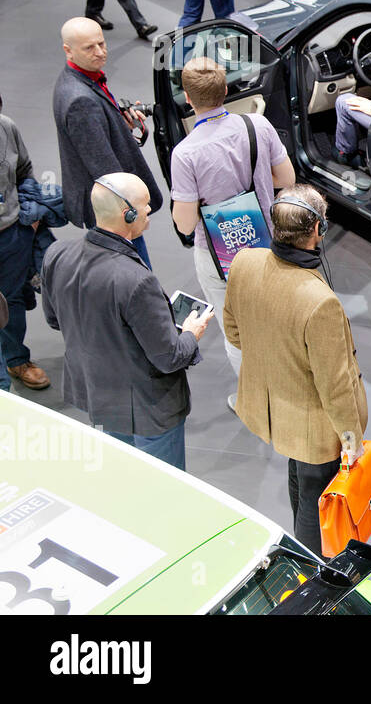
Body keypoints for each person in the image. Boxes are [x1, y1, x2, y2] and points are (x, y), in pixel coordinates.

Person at [223, 185, 368, 556]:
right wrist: (351, 441)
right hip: (313, 425)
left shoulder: (244, 262)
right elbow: (335, 387)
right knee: (314, 497)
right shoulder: (320, 303)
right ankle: (312, 569)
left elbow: (234, 333)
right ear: (318, 230)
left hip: (272, 411)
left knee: (299, 477)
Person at [42, 173, 213, 469]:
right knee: (164, 486)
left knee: (128, 476)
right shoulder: (136, 281)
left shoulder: (57, 254)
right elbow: (170, 357)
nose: (149, 211)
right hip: (149, 410)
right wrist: (191, 333)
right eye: (145, 205)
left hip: (101, 396)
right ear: (128, 214)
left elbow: (55, 320)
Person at [169, 56, 295, 404]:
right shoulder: (257, 125)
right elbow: (287, 179)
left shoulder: (185, 154)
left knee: (236, 330)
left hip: (217, 255)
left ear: (189, 100)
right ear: (226, 90)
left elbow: (184, 222)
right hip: (268, 241)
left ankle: (255, 403)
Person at [53, 17, 162, 267]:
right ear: (68, 50)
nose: (100, 52)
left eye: (102, 43)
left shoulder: (78, 79)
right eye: (89, 48)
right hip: (115, 212)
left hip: (109, 208)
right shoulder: (80, 101)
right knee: (137, 272)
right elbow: (105, 170)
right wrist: (132, 208)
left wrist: (118, 124)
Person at [0, 97, 50, 391]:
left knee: (12, 300)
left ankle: (17, 359)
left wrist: (30, 215)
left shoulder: (7, 128)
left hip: (10, 234)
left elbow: (24, 172)